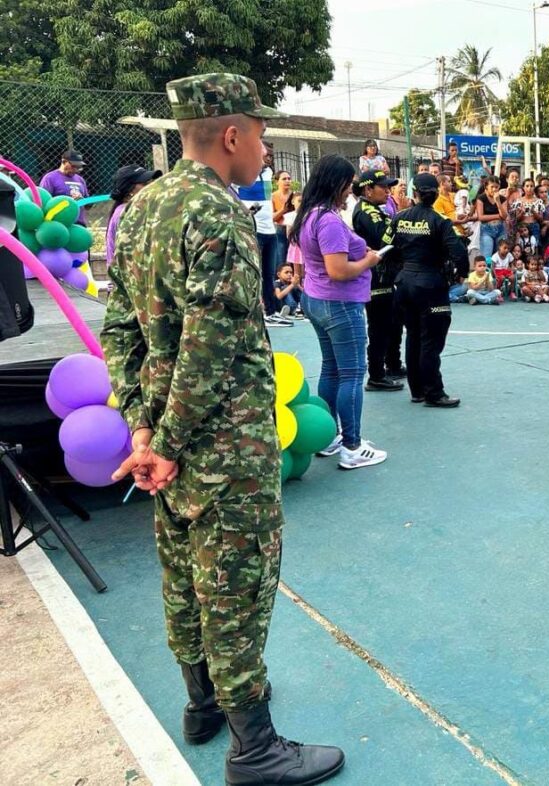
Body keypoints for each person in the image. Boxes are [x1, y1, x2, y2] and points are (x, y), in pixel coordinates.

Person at [101, 73, 345, 785]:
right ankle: (256, 747)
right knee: (234, 587)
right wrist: (172, 444)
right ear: (232, 135)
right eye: (262, 135)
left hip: (168, 445)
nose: (265, 149)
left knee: (182, 574)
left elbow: (121, 331)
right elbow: (210, 342)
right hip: (221, 446)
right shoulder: (218, 213)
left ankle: (202, 704)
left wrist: (143, 433)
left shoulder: (142, 209)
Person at [291, 154, 388, 470]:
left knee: (332, 369)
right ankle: (352, 445)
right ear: (337, 184)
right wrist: (369, 261)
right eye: (348, 185)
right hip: (339, 303)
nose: (351, 190)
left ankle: (330, 436)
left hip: (317, 299)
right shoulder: (329, 221)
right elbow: (338, 270)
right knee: (352, 372)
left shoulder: (309, 215)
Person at [391, 173, 468, 407]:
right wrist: (459, 274)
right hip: (430, 283)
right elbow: (459, 252)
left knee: (413, 335)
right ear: (435, 194)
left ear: (414, 192)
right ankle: (434, 391)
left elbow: (387, 246)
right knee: (431, 340)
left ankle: (417, 390)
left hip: (404, 283)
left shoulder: (399, 218)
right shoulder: (440, 220)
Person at [351, 170, 406, 393]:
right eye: (383, 186)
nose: (387, 190)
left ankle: (392, 364)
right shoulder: (366, 211)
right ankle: (376, 374)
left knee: (393, 322)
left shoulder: (376, 209)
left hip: (386, 273)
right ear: (368, 189)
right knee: (380, 326)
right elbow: (386, 236)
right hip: (376, 276)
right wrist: (403, 219)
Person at [235, 144, 283, 325]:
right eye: (265, 155)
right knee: (255, 273)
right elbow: (233, 196)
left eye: (271, 156)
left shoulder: (269, 173)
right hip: (255, 230)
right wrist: (248, 211)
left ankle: (271, 311)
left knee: (269, 273)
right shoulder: (243, 174)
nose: (268, 159)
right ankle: (257, 312)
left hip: (270, 230)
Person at [105, 165, 161, 266]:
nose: (151, 186)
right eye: (145, 184)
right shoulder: (127, 213)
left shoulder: (134, 210)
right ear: (129, 190)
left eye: (151, 182)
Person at [40, 150, 90, 224]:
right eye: (73, 166)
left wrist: (82, 200)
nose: (76, 169)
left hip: (79, 223)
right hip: (59, 223)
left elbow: (88, 206)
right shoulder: (50, 178)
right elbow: (43, 203)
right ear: (64, 162)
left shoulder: (80, 180)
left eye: (78, 166)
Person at [476, 178, 508, 258]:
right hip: (487, 229)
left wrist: (498, 202)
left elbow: (504, 216)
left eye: (496, 187)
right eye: (492, 187)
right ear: (486, 187)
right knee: (487, 255)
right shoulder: (481, 198)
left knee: (500, 255)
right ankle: (487, 270)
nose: (494, 189)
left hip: (500, 229)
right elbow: (481, 217)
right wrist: (497, 216)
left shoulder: (502, 199)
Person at [271, 170, 293, 264]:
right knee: (281, 259)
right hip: (279, 230)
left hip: (294, 229)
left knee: (295, 259)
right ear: (277, 182)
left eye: (289, 179)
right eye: (284, 179)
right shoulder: (272, 196)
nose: (287, 181)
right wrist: (283, 210)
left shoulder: (295, 196)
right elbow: (271, 218)